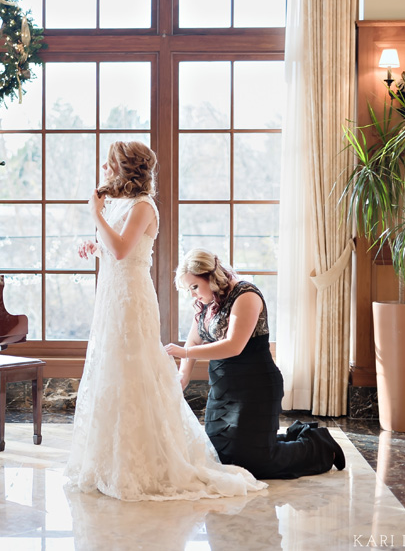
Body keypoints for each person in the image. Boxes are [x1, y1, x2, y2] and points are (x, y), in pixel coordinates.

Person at [64, 141, 266, 501]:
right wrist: (92, 246)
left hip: (131, 298)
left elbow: (124, 249)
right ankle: (107, 459)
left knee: (133, 368)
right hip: (110, 295)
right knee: (111, 368)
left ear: (125, 168)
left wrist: (95, 216)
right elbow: (113, 248)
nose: (103, 168)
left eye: (109, 163)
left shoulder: (144, 205)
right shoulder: (119, 203)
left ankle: (143, 461)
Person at [164, 249, 345, 479]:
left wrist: (185, 352)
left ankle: (318, 443)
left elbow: (234, 346)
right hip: (223, 388)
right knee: (223, 457)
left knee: (254, 464)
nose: (193, 295)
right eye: (189, 289)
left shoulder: (246, 294)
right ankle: (293, 434)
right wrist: (183, 376)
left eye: (194, 287)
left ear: (209, 277)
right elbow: (194, 337)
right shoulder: (205, 303)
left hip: (255, 387)